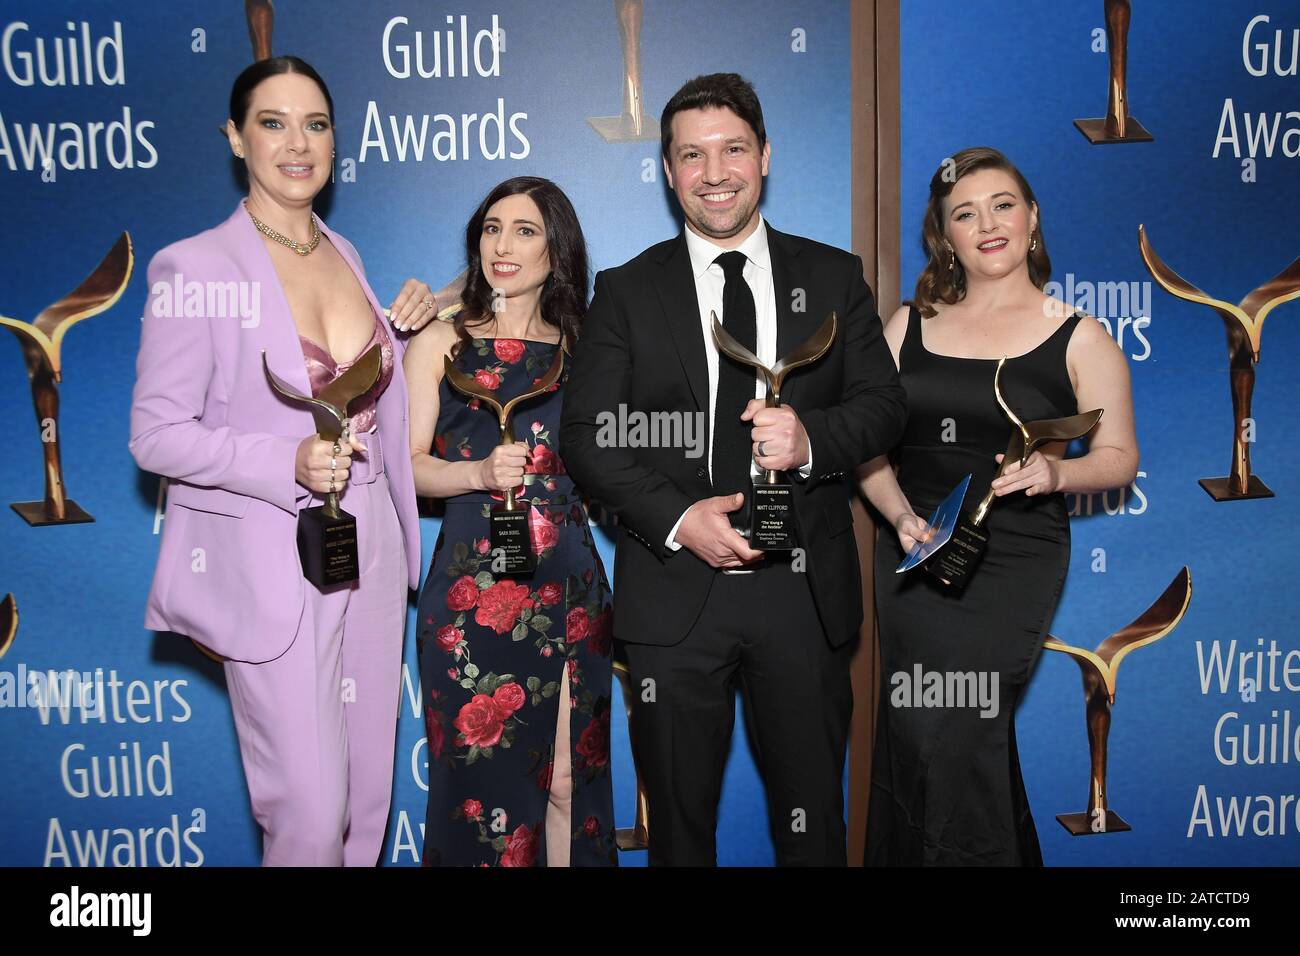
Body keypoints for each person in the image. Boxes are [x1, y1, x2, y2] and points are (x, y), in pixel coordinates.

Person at [560, 73, 907, 866]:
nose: (714, 172)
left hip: (803, 593)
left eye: (732, 150)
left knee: (813, 825)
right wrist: (682, 520)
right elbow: (588, 435)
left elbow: (885, 407)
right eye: (691, 155)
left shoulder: (832, 276)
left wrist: (810, 439)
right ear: (668, 171)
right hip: (674, 592)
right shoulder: (625, 290)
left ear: (766, 156)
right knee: (678, 835)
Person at [130, 55, 442, 866]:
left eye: (316, 123)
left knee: (366, 799)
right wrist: (287, 461)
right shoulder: (193, 267)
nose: (297, 143)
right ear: (235, 138)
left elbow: (357, 390)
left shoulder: (350, 256)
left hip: (367, 535)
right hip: (277, 549)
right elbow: (155, 435)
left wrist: (405, 326)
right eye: (273, 123)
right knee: (309, 809)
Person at [860, 146, 1139, 866]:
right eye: (965, 213)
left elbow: (1118, 458)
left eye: (1002, 205)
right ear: (944, 236)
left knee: (956, 730)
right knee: (930, 736)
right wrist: (898, 519)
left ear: (1032, 217)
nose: (987, 224)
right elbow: (866, 449)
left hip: (1012, 561)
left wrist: (1055, 474)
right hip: (917, 559)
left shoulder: (1079, 334)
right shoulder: (908, 325)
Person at [406, 177, 617, 867]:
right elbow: (407, 466)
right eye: (492, 227)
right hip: (469, 596)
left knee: (566, 782)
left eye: (525, 230)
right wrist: (474, 473)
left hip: (569, 591)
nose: (504, 244)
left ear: (556, 250)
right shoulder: (439, 343)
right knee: (480, 797)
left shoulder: (586, 350)